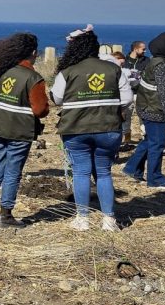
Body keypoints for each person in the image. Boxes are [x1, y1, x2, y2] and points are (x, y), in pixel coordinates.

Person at [51, 27, 130, 232]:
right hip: (109, 127)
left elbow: (57, 98)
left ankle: (82, 219)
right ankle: (109, 220)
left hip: (76, 128)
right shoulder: (114, 69)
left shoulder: (67, 72)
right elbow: (128, 99)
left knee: (81, 172)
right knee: (104, 172)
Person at [0, 33, 49, 227]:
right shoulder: (33, 78)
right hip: (19, 130)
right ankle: (6, 214)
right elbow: (40, 110)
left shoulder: (3, 72)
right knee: (13, 172)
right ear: (33, 53)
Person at [122, 32, 165, 192]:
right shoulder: (162, 65)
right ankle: (155, 179)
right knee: (158, 143)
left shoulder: (164, 62)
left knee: (150, 140)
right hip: (155, 109)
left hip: (150, 107)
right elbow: (163, 93)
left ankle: (132, 168)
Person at [122, 41, 148, 145]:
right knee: (126, 116)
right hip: (127, 93)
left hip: (141, 92)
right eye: (143, 49)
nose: (145, 51)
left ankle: (146, 136)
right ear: (135, 49)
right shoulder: (125, 61)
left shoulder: (147, 61)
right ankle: (127, 138)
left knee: (143, 115)